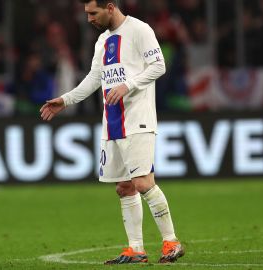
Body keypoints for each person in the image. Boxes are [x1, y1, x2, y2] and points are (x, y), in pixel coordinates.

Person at [40, 0, 184, 264]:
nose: (89, 19)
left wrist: (127, 85)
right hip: (112, 123)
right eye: (86, 14)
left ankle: (171, 241)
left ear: (109, 7)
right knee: (124, 187)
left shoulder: (140, 30)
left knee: (141, 182)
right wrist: (66, 99)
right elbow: (95, 77)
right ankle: (136, 249)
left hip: (138, 120)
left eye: (93, 13)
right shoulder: (102, 41)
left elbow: (159, 65)